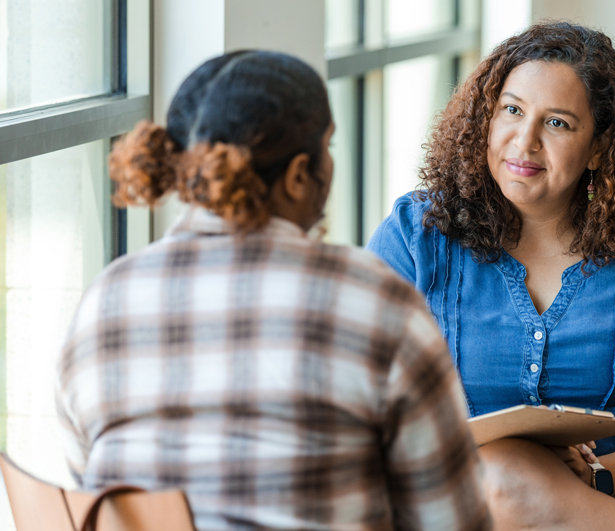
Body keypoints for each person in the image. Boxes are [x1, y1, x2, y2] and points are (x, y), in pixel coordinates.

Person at [55, 50, 491, 531]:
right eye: (329, 146)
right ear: (299, 174)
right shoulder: (375, 302)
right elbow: (452, 520)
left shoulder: (105, 299)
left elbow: (89, 490)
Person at [366, 22, 615, 531]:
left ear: (600, 147)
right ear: (487, 119)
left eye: (557, 123)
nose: (525, 142)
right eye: (512, 111)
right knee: (499, 472)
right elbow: (354, 389)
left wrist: (597, 475)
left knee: (507, 476)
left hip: (603, 509)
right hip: (443, 510)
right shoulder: (416, 235)